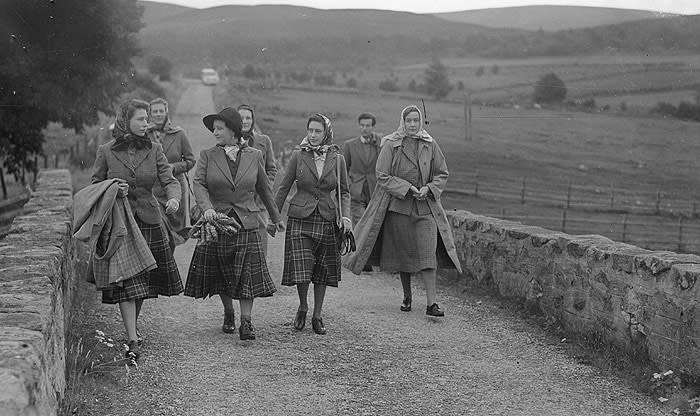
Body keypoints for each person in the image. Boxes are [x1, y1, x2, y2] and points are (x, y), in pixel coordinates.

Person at [343, 105, 462, 317]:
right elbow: (382, 175)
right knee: (404, 256)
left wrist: (429, 188)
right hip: (398, 208)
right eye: (409, 121)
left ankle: (431, 304)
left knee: (428, 255)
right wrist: (406, 188)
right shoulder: (391, 144)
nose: (413, 124)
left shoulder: (430, 143)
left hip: (426, 208)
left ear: (421, 121)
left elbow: (442, 173)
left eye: (417, 120)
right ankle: (407, 296)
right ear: (403, 122)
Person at [91, 98, 183, 360]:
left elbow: (169, 179)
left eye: (147, 119)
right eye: (141, 119)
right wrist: (111, 189)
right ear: (126, 122)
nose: (147, 123)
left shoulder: (154, 149)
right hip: (120, 222)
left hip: (149, 219)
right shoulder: (106, 151)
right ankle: (132, 338)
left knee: (141, 282)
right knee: (127, 282)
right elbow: (95, 184)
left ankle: (133, 328)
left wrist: (174, 197)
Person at [184, 107, 284, 340]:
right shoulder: (208, 155)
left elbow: (264, 189)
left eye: (219, 129)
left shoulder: (254, 155)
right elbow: (198, 184)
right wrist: (207, 209)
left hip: (247, 221)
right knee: (222, 272)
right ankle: (229, 312)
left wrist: (276, 217)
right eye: (214, 129)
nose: (215, 133)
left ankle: (246, 321)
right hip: (218, 222)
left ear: (232, 130)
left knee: (247, 273)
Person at [274, 113, 351, 335]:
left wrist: (346, 218)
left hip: (327, 217)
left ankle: (317, 314)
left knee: (322, 269)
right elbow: (284, 187)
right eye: (310, 131)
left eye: (318, 131)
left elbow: (344, 192)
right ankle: (303, 306)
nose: (313, 135)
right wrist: (275, 215)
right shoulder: (299, 156)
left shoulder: (338, 159)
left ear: (326, 132)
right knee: (302, 268)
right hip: (300, 217)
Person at [147, 97, 196, 253]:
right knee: (158, 229)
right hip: (153, 190)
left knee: (173, 233)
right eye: (155, 111)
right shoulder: (144, 136)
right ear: (149, 114)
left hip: (175, 189)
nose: (159, 114)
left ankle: (168, 266)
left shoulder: (178, 134)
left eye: (161, 111)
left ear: (167, 112)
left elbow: (190, 160)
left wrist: (172, 167)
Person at [237, 104, 277, 254]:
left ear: (253, 120)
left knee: (259, 245)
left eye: (248, 118)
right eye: (241, 118)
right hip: (238, 202)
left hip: (259, 202)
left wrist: (266, 189)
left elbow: (271, 169)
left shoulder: (264, 141)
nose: (245, 121)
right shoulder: (230, 141)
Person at [342, 112, 381, 226]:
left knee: (373, 225)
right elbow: (343, 169)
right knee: (360, 224)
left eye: (368, 126)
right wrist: (350, 185)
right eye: (362, 125)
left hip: (374, 190)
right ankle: (357, 244)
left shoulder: (379, 143)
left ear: (373, 127)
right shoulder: (349, 145)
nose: (364, 128)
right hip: (356, 192)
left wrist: (377, 142)